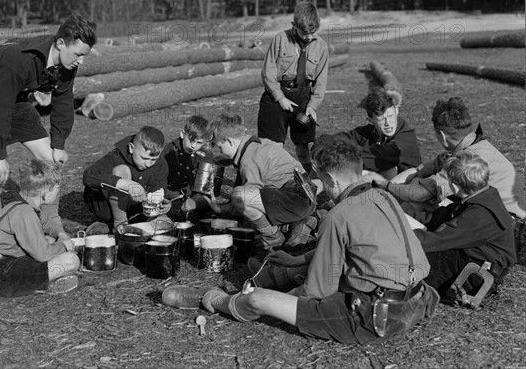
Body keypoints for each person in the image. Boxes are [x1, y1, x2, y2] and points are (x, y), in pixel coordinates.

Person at [161, 138, 439, 345]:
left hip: (375, 316)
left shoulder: (338, 215)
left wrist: (282, 297)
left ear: (331, 179)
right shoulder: (383, 196)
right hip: (417, 299)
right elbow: (356, 248)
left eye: (321, 181)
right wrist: (298, 260)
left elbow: (316, 292)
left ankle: (214, 299)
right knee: (304, 269)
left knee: (259, 299)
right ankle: (274, 275)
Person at [0, 13, 97, 227]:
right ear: (60, 44)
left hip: (15, 96)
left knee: (51, 161)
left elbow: (64, 103)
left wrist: (58, 144)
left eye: (84, 55)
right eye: (78, 54)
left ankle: (50, 221)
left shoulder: (68, 66)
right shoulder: (20, 60)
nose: (81, 60)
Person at [373, 97, 526, 222]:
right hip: (502, 215)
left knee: (417, 202)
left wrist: (386, 186)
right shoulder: (476, 146)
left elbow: (419, 194)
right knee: (416, 189)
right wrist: (391, 186)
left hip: (503, 222)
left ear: (443, 136)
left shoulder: (465, 162)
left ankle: (383, 224)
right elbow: (419, 170)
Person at [410, 151, 516, 301]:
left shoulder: (479, 215)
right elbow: (437, 218)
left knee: (406, 262)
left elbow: (436, 240)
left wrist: (398, 235)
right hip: (468, 257)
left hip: (472, 276)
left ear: (454, 186)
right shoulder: (482, 196)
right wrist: (400, 213)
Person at [204, 113, 316, 250]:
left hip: (296, 200)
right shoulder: (258, 144)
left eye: (218, 146)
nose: (219, 150)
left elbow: (245, 201)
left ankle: (272, 236)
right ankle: (297, 224)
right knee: (258, 197)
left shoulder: (249, 160)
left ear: (229, 141)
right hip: (307, 194)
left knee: (240, 195)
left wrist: (219, 208)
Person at [0, 159, 79, 297]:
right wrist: (64, 246)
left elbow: (48, 223)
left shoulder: (21, 206)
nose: (57, 193)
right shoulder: (25, 212)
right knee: (70, 261)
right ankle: (46, 283)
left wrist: (61, 234)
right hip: (2, 276)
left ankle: (44, 279)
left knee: (49, 240)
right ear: (44, 191)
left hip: (0, 269)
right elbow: (43, 254)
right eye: (56, 189)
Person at [258, 1, 329, 173]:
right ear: (293, 25)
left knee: (304, 147)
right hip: (276, 95)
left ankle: (311, 178)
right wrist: (280, 98)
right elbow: (268, 72)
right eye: (305, 34)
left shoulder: (321, 46)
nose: (309, 37)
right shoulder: (280, 39)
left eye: (313, 33)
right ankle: (272, 180)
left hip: (303, 97)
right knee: (272, 146)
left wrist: (312, 107)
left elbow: (321, 81)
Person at [317, 87, 421, 180]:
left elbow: (380, 155)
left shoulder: (406, 138)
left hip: (407, 192)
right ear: (371, 121)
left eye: (390, 116)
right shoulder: (368, 132)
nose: (388, 124)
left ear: (396, 111)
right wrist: (321, 147)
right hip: (383, 188)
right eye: (381, 119)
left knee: (387, 170)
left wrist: (342, 155)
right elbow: (335, 139)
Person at [82, 126, 168, 232]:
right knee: (121, 170)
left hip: (136, 211)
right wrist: (126, 184)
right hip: (105, 208)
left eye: (153, 159)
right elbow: (88, 176)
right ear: (132, 148)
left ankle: (112, 228)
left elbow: (158, 191)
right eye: (144, 158)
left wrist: (160, 205)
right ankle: (120, 224)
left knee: (165, 225)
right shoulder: (116, 156)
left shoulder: (161, 165)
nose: (148, 164)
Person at [161, 115, 212, 214]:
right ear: (182, 134)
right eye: (191, 140)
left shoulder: (205, 155)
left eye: (199, 142)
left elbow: (206, 187)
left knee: (206, 205)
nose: (193, 146)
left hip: (194, 195)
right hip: (170, 193)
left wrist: (193, 200)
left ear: (205, 142)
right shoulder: (168, 151)